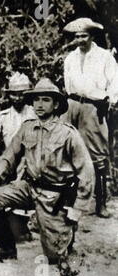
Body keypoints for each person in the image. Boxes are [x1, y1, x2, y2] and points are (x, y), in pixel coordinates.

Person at [0, 79, 95, 264]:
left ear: (56, 104)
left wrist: (77, 208)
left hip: (54, 196)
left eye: (45, 100)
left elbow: (86, 173)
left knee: (55, 258)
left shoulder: (68, 134)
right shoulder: (27, 128)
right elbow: (8, 157)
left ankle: (67, 233)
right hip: (28, 186)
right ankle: (6, 247)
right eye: (36, 100)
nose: (39, 105)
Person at [63, 18, 118, 218]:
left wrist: (108, 101)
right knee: (69, 150)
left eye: (84, 36)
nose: (80, 40)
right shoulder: (70, 58)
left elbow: (114, 82)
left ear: (92, 36)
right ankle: (71, 200)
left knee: (98, 154)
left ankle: (101, 203)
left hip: (94, 106)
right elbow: (68, 85)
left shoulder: (104, 57)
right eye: (77, 36)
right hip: (73, 104)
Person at [0, 73, 36, 158]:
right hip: (10, 161)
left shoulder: (35, 113)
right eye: (14, 94)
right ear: (9, 95)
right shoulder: (3, 116)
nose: (17, 98)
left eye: (21, 94)